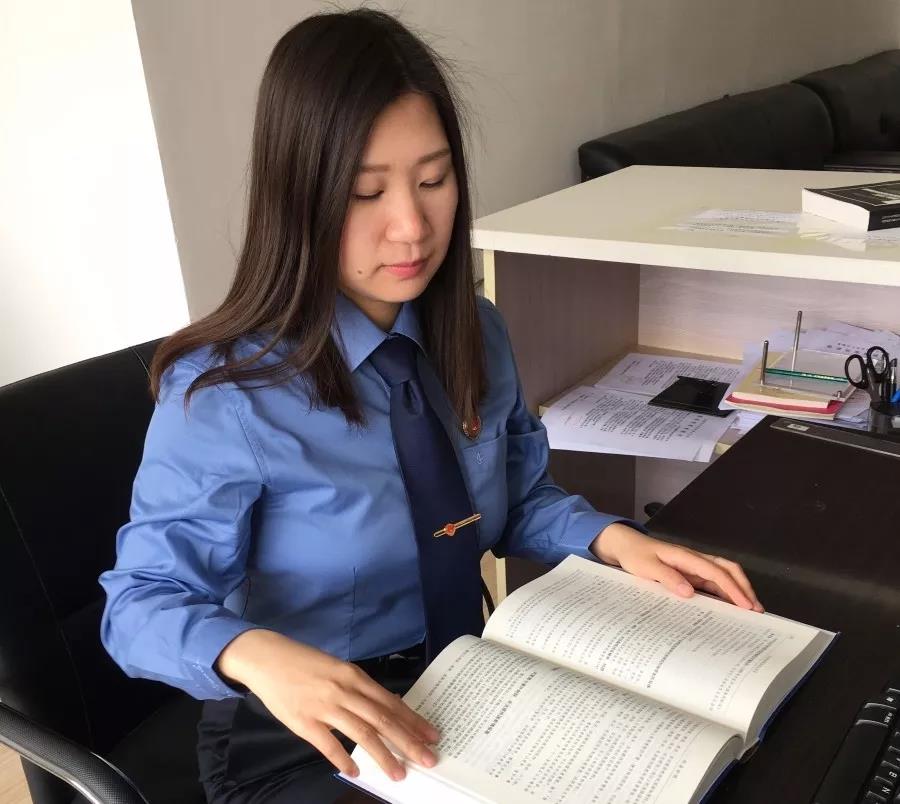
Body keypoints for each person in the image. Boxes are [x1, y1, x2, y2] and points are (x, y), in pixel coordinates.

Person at [100, 9, 763, 804]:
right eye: (365, 192)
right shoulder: (226, 394)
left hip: (469, 686)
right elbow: (137, 607)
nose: (411, 227)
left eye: (434, 180)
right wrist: (252, 654)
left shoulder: (474, 333)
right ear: (299, 198)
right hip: (308, 738)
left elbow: (514, 497)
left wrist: (612, 540)